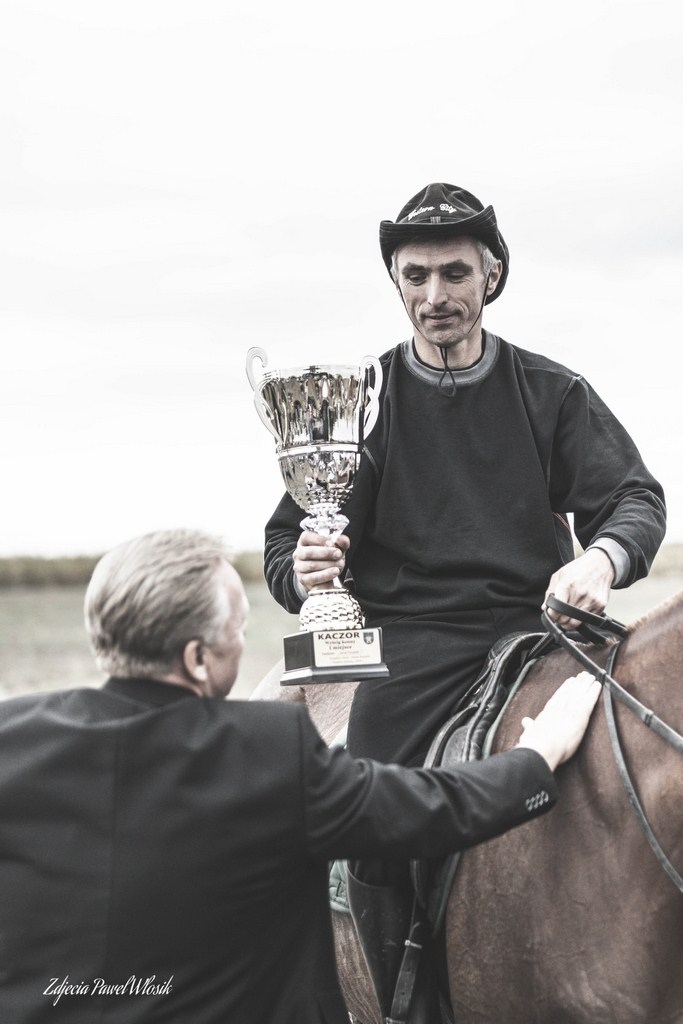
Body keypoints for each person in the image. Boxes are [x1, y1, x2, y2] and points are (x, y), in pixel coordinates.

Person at [0, 527, 600, 1024]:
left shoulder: (14, 738)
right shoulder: (263, 750)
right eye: (237, 630)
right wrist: (536, 757)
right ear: (198, 659)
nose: (242, 643)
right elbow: (424, 809)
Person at [264, 181, 666, 771]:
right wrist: (306, 573)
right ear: (397, 281)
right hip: (410, 640)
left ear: (492, 276)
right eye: (417, 276)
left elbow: (636, 498)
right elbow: (283, 542)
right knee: (379, 807)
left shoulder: (552, 391)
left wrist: (601, 559)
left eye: (455, 273)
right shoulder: (360, 403)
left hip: (542, 624)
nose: (435, 295)